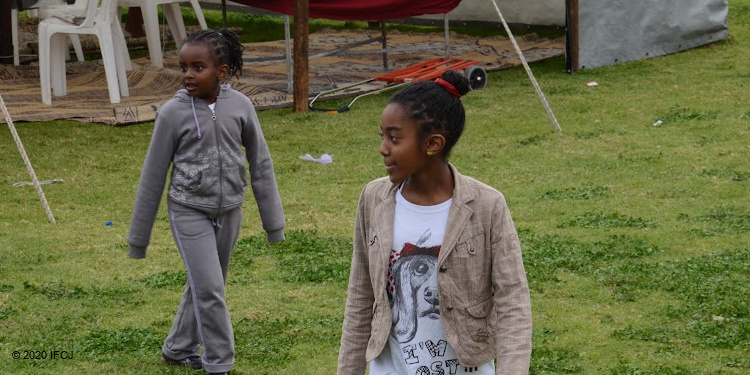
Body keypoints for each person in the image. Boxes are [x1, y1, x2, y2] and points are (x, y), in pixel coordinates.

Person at [337, 70, 532, 375]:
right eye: (383, 136)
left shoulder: (487, 205)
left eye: (395, 138)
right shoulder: (374, 199)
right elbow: (361, 295)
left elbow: (513, 302)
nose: (383, 148)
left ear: (432, 144)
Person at [127, 29, 286, 375]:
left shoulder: (241, 106)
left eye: (198, 67)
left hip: (230, 210)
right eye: (183, 67)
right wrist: (138, 239)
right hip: (188, 210)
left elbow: (260, 163)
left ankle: (178, 348)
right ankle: (219, 362)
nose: (187, 75)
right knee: (211, 288)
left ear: (222, 72)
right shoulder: (171, 114)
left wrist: (274, 225)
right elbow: (152, 177)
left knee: (205, 284)